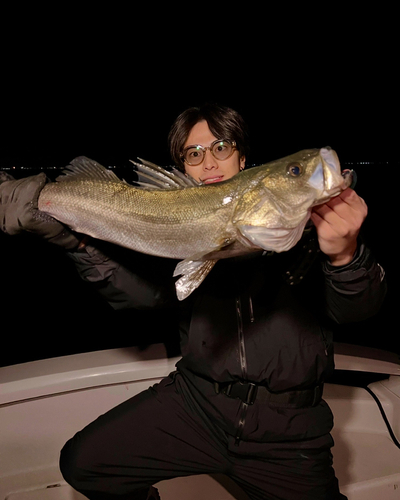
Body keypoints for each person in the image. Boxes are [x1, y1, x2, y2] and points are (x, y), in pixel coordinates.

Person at [0, 104, 387, 500]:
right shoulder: (185, 223)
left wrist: (344, 255)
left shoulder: (309, 231)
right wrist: (75, 241)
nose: (209, 163)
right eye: (194, 153)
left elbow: (358, 310)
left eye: (220, 147)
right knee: (84, 463)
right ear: (184, 166)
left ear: (242, 155)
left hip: (286, 429)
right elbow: (145, 297)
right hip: (197, 402)